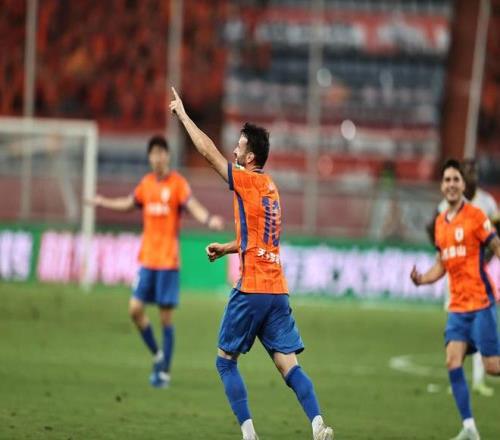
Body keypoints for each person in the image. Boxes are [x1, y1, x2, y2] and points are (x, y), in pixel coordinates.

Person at [169, 87, 334, 440]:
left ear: (251, 156)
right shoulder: (271, 188)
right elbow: (257, 239)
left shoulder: (246, 179)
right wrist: (228, 249)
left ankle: (249, 435)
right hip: (277, 291)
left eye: (239, 146)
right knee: (288, 366)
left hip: (252, 288)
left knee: (225, 361)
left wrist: (183, 115)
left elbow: (208, 152)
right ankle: (318, 424)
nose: (234, 150)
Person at [87, 135, 223, 388]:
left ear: (167, 156)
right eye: (154, 153)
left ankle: (165, 372)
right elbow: (129, 204)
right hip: (147, 260)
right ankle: (158, 354)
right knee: (135, 310)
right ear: (149, 157)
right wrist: (103, 201)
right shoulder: (146, 184)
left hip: (168, 262)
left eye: (162, 152)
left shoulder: (178, 184)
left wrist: (208, 220)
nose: (158, 157)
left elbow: (193, 206)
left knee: (165, 319)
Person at [411, 159, 500, 440]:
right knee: (452, 361)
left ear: (463, 185)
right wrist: (422, 279)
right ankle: (469, 427)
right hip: (457, 307)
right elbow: (442, 264)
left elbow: (495, 245)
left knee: (493, 367)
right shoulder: (440, 223)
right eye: (447, 180)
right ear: (442, 186)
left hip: (480, 302)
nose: (451, 185)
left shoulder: (475, 215)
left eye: (455, 180)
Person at [427, 158, 500, 397]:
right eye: (467, 171)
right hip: (456, 281)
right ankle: (460, 380)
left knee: (484, 345)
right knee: (457, 341)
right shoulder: (444, 208)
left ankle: (477, 379)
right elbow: (434, 231)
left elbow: (495, 233)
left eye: (472, 172)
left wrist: (485, 254)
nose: (471, 176)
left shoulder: (485, 203)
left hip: (480, 276)